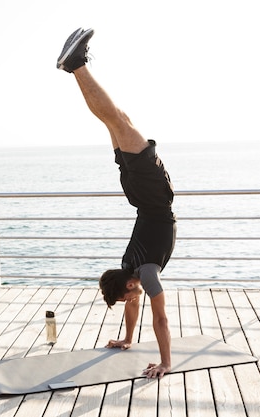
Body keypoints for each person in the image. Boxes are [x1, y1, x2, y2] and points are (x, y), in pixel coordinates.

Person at [57, 28, 177, 379]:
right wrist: (128, 338)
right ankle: (76, 66)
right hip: (138, 196)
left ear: (127, 283)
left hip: (151, 195)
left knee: (117, 118)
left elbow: (160, 318)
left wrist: (166, 362)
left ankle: (77, 66)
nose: (133, 298)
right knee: (115, 118)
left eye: (127, 296)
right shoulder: (129, 267)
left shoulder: (145, 275)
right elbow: (140, 306)